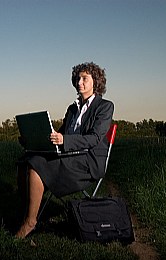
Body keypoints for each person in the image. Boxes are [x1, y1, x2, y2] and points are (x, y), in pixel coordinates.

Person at [15, 62, 114, 239]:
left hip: (87, 161)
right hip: (69, 155)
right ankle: (26, 213)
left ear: (96, 82)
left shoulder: (105, 106)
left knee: (36, 165)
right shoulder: (72, 108)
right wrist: (32, 140)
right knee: (26, 160)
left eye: (84, 78)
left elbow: (94, 138)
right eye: (77, 78)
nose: (79, 82)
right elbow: (60, 134)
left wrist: (64, 140)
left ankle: (30, 222)